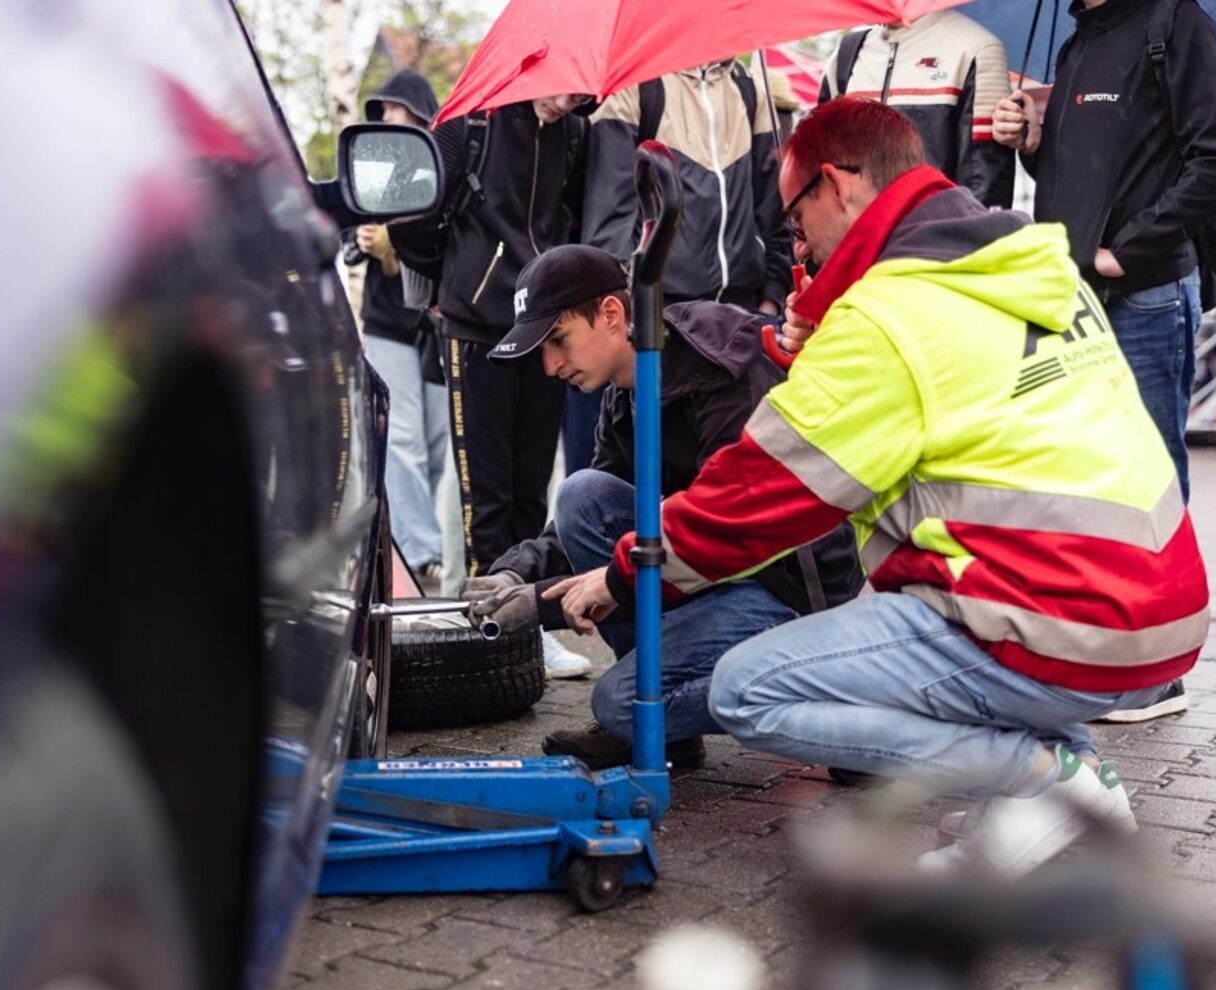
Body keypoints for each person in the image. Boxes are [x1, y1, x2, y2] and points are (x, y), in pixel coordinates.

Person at [550, 99, 1209, 875]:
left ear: (838, 185)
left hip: (1045, 616)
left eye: (797, 226)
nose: (798, 247)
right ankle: (1046, 784)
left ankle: (1047, 777)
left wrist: (624, 569)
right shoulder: (1026, 267)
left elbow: (761, 492)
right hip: (1157, 614)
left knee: (746, 690)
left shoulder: (887, 316)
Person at [463, 244, 861, 770]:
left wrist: (543, 604)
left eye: (557, 340)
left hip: (788, 591)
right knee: (582, 493)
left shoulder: (721, 364)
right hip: (717, 570)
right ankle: (666, 729)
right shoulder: (625, 386)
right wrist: (517, 572)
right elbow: (597, 514)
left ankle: (840, 705)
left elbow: (734, 527)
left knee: (619, 704)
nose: (550, 365)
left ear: (611, 314)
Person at [991, 0, 1216, 723]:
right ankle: (1106, 653)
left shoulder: (1177, 23)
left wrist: (1123, 251)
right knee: (1088, 480)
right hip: (1075, 300)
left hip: (1145, 296)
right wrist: (1032, 141)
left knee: (1150, 483)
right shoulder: (1077, 42)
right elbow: (1093, 168)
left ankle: (1157, 675)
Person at [388, 93, 594, 676]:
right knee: (488, 495)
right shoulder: (470, 121)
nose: (570, 98)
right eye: (564, 85)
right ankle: (491, 628)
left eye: (581, 90)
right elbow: (410, 215)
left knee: (532, 489)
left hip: (543, 327)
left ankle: (523, 624)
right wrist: (458, 274)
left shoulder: (575, 133)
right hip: (474, 327)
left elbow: (572, 219)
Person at [582, 60, 792, 313]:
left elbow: (773, 212)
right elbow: (609, 217)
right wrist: (623, 305)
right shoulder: (635, 86)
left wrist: (772, 298)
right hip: (660, 308)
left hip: (742, 307)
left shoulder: (750, 88)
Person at [348, 70, 447, 578]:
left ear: (417, 112)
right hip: (387, 324)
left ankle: (431, 546)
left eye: (391, 108)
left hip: (433, 326)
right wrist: (365, 241)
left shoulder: (438, 168)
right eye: (381, 111)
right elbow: (348, 240)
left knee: (437, 443)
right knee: (403, 439)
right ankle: (425, 552)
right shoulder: (375, 175)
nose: (384, 119)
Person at [819, 9, 1015, 209]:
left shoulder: (977, 49)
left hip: (935, 234)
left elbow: (983, 186)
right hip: (858, 236)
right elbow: (820, 166)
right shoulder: (844, 56)